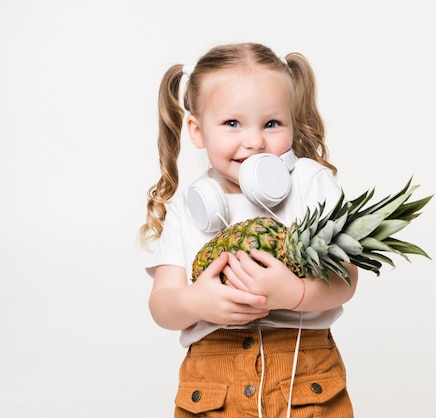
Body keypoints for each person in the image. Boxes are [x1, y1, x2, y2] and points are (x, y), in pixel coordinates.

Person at [140, 42, 358, 418]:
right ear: (196, 129)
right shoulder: (189, 206)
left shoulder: (310, 184)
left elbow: (347, 280)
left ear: (292, 121)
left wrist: (296, 292)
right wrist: (196, 303)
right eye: (232, 123)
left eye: (272, 124)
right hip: (212, 385)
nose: (255, 140)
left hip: (303, 376)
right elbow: (162, 305)